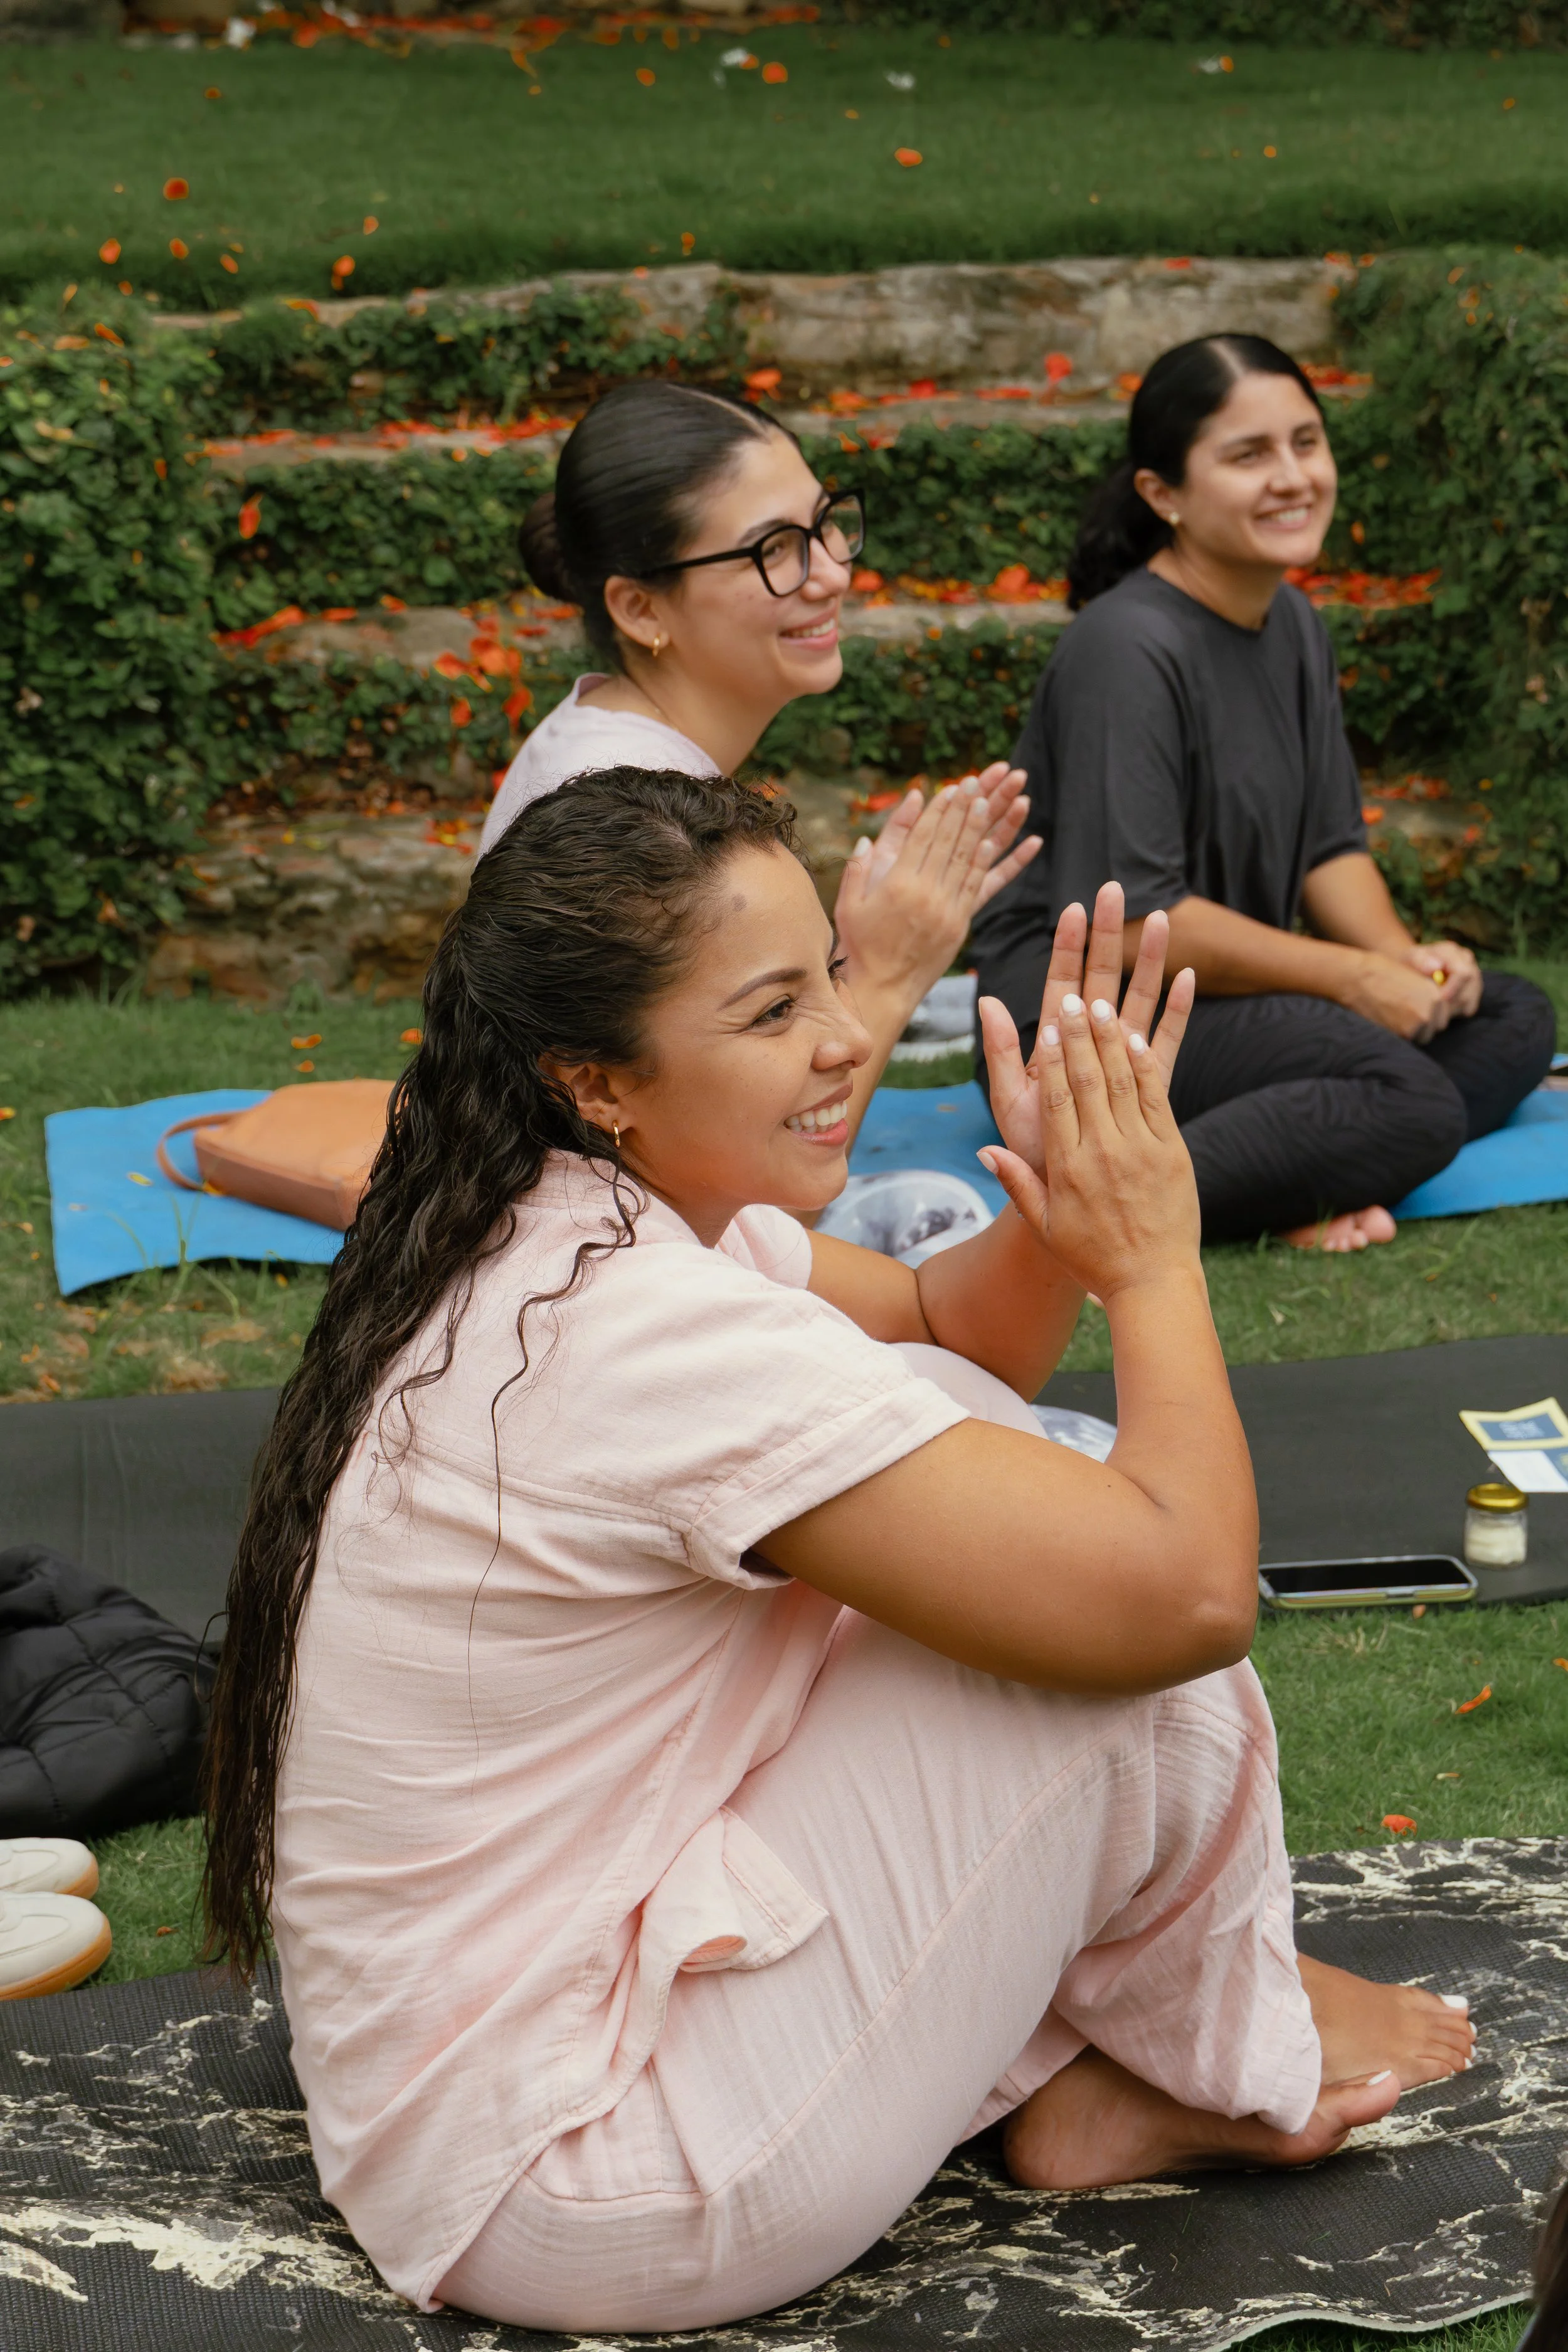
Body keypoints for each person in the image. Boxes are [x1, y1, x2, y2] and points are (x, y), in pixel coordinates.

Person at [202, 768, 1476, 2335]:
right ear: (597, 1075)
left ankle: (1133, 2052)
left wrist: (1064, 1205)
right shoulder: (637, 1324)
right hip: (588, 2176)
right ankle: (1206, 2035)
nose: (842, 1038)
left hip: (490, 2089)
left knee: (963, 1444)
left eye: (832, 974)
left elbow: (955, 1329)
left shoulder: (577, 1211)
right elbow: (1191, 1598)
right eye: (769, 1012)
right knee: (1106, 1651)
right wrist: (1153, 1257)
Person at [970, 334, 1556, 1252]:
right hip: (1089, 1017)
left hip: (1215, 999)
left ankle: (1288, 1161)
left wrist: (1409, 967)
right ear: (1163, 495)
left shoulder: (1290, 621)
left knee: (1514, 1014)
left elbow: (1331, 848)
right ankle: (1108, 1199)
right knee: (1408, 1095)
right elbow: (1128, 924)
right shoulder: (1125, 649)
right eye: (1249, 455)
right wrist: (1355, 979)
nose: (1292, 476)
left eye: (1305, 443)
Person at [482, 378, 1042, 1143]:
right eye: (774, 550)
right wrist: (885, 972)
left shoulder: (624, 749)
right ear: (640, 608)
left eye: (824, 526)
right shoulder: (627, 821)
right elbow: (754, 1193)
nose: (832, 574)